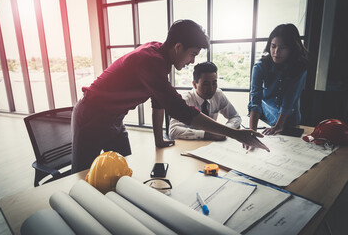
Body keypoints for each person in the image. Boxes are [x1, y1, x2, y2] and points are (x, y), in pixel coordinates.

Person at [72, 19, 269, 173]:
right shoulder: (151, 60)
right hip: (92, 114)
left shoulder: (161, 57)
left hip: (115, 119)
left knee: (123, 171)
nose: (192, 61)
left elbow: (158, 103)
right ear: (178, 47)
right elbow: (178, 109)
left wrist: (159, 140)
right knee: (81, 175)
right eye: (192, 54)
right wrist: (234, 133)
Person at [247, 23, 308, 140]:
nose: (276, 51)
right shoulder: (260, 67)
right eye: (273, 46)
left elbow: (289, 99)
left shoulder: (299, 68)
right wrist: (252, 133)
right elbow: (255, 101)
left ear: (292, 49)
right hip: (265, 117)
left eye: (283, 47)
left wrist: (279, 126)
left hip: (289, 119)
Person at [169, 62, 242, 140]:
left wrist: (226, 131)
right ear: (194, 84)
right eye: (206, 84)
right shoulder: (186, 100)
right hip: (190, 144)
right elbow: (173, 131)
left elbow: (235, 117)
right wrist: (206, 134)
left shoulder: (218, 94)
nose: (211, 88)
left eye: (214, 83)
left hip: (211, 145)